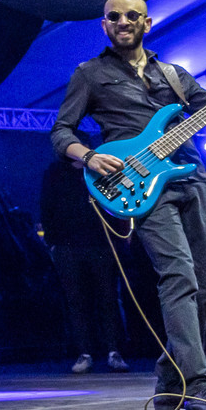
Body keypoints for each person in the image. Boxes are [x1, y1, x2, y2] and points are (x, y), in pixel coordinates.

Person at [50, 0, 206, 410]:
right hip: (141, 187)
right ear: (104, 25)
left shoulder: (174, 74)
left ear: (147, 23)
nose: (123, 21)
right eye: (114, 16)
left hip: (193, 179)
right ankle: (198, 385)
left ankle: (170, 379)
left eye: (131, 15)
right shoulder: (90, 74)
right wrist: (89, 156)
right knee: (178, 278)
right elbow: (61, 131)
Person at [39, 158, 129, 373]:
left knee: (108, 298)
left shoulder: (100, 167)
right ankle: (84, 352)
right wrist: (52, 242)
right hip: (67, 246)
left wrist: (120, 238)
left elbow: (118, 200)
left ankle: (114, 351)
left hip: (101, 244)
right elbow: (46, 205)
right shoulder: (55, 172)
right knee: (76, 300)